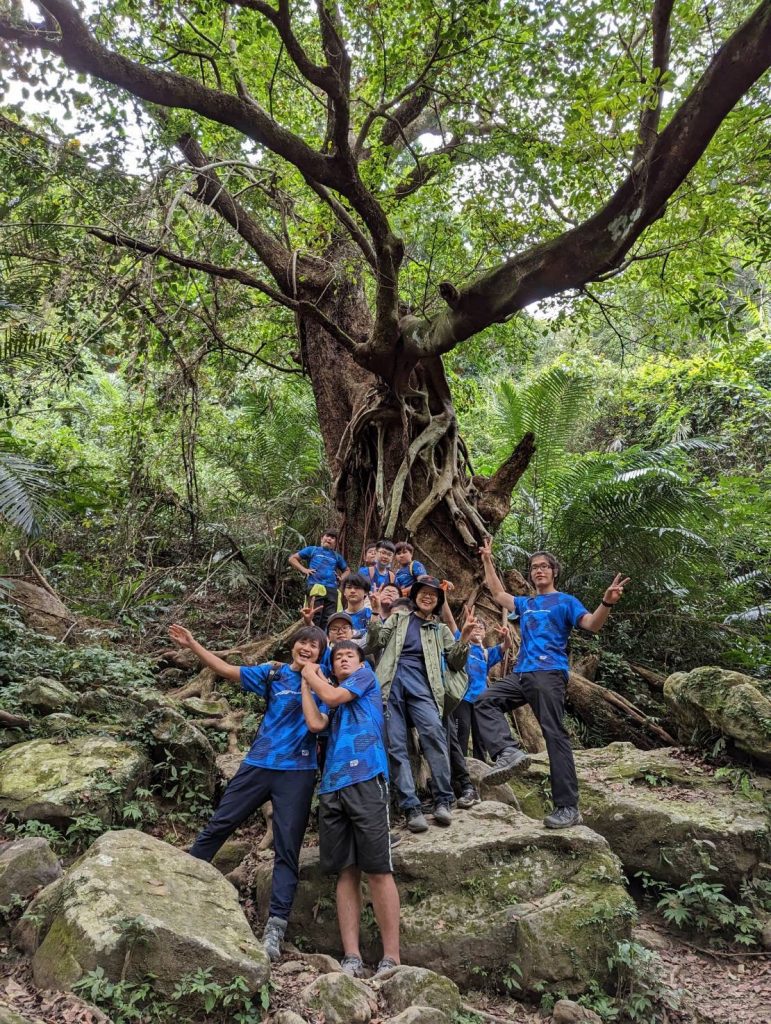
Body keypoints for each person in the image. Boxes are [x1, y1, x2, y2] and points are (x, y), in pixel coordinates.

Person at [168, 622, 328, 961]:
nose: (307, 648)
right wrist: (193, 643)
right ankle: (180, 882)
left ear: (321, 654)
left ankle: (275, 928)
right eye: (303, 642)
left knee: (287, 849)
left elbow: (321, 720)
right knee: (220, 824)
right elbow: (226, 669)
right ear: (293, 646)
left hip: (297, 773)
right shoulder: (272, 673)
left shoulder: (322, 683)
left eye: (315, 646)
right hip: (258, 764)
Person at [475, 541, 630, 828]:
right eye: (534, 568)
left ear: (554, 571)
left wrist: (607, 602)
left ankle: (568, 807)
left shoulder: (566, 601)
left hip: (549, 674)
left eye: (544, 566)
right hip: (522, 674)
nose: (539, 571)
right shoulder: (527, 604)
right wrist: (487, 559)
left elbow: (592, 624)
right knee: (485, 700)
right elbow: (497, 593)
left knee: (554, 736)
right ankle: (508, 751)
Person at [300, 643, 400, 978]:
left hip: (367, 777)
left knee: (377, 869)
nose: (343, 659)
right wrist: (306, 677)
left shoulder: (364, 678)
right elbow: (315, 723)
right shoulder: (334, 699)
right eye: (337, 657)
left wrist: (312, 674)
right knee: (345, 871)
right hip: (332, 786)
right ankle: (352, 956)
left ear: (359, 664)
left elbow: (329, 698)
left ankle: (392, 958)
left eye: (349, 656)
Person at [367, 578, 475, 832]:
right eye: (423, 593)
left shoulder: (440, 630)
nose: (428, 597)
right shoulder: (398, 619)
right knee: (396, 745)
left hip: (423, 685)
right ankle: (410, 807)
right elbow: (374, 643)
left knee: (434, 736)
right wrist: (373, 613)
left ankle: (443, 800)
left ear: (438, 601)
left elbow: (456, 663)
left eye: (433, 595)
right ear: (415, 596)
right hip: (391, 682)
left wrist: (465, 637)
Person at [441, 606, 511, 806]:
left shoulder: (486, 654)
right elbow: (448, 619)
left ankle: (481, 771)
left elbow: (505, 647)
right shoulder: (460, 641)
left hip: (480, 701)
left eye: (481, 627)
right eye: (475, 626)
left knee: (481, 737)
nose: (478, 628)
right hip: (462, 697)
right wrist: (444, 598)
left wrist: (506, 637)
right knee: (461, 734)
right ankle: (460, 775)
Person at [289, 531, 348, 628]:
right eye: (327, 536)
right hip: (315, 587)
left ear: (335, 543)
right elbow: (292, 559)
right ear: (322, 539)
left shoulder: (337, 556)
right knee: (314, 616)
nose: (329, 539)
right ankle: (314, 640)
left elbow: (347, 570)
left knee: (329, 618)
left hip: (332, 590)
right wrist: (304, 570)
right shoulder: (312, 550)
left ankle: (325, 641)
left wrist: (341, 577)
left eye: (332, 538)